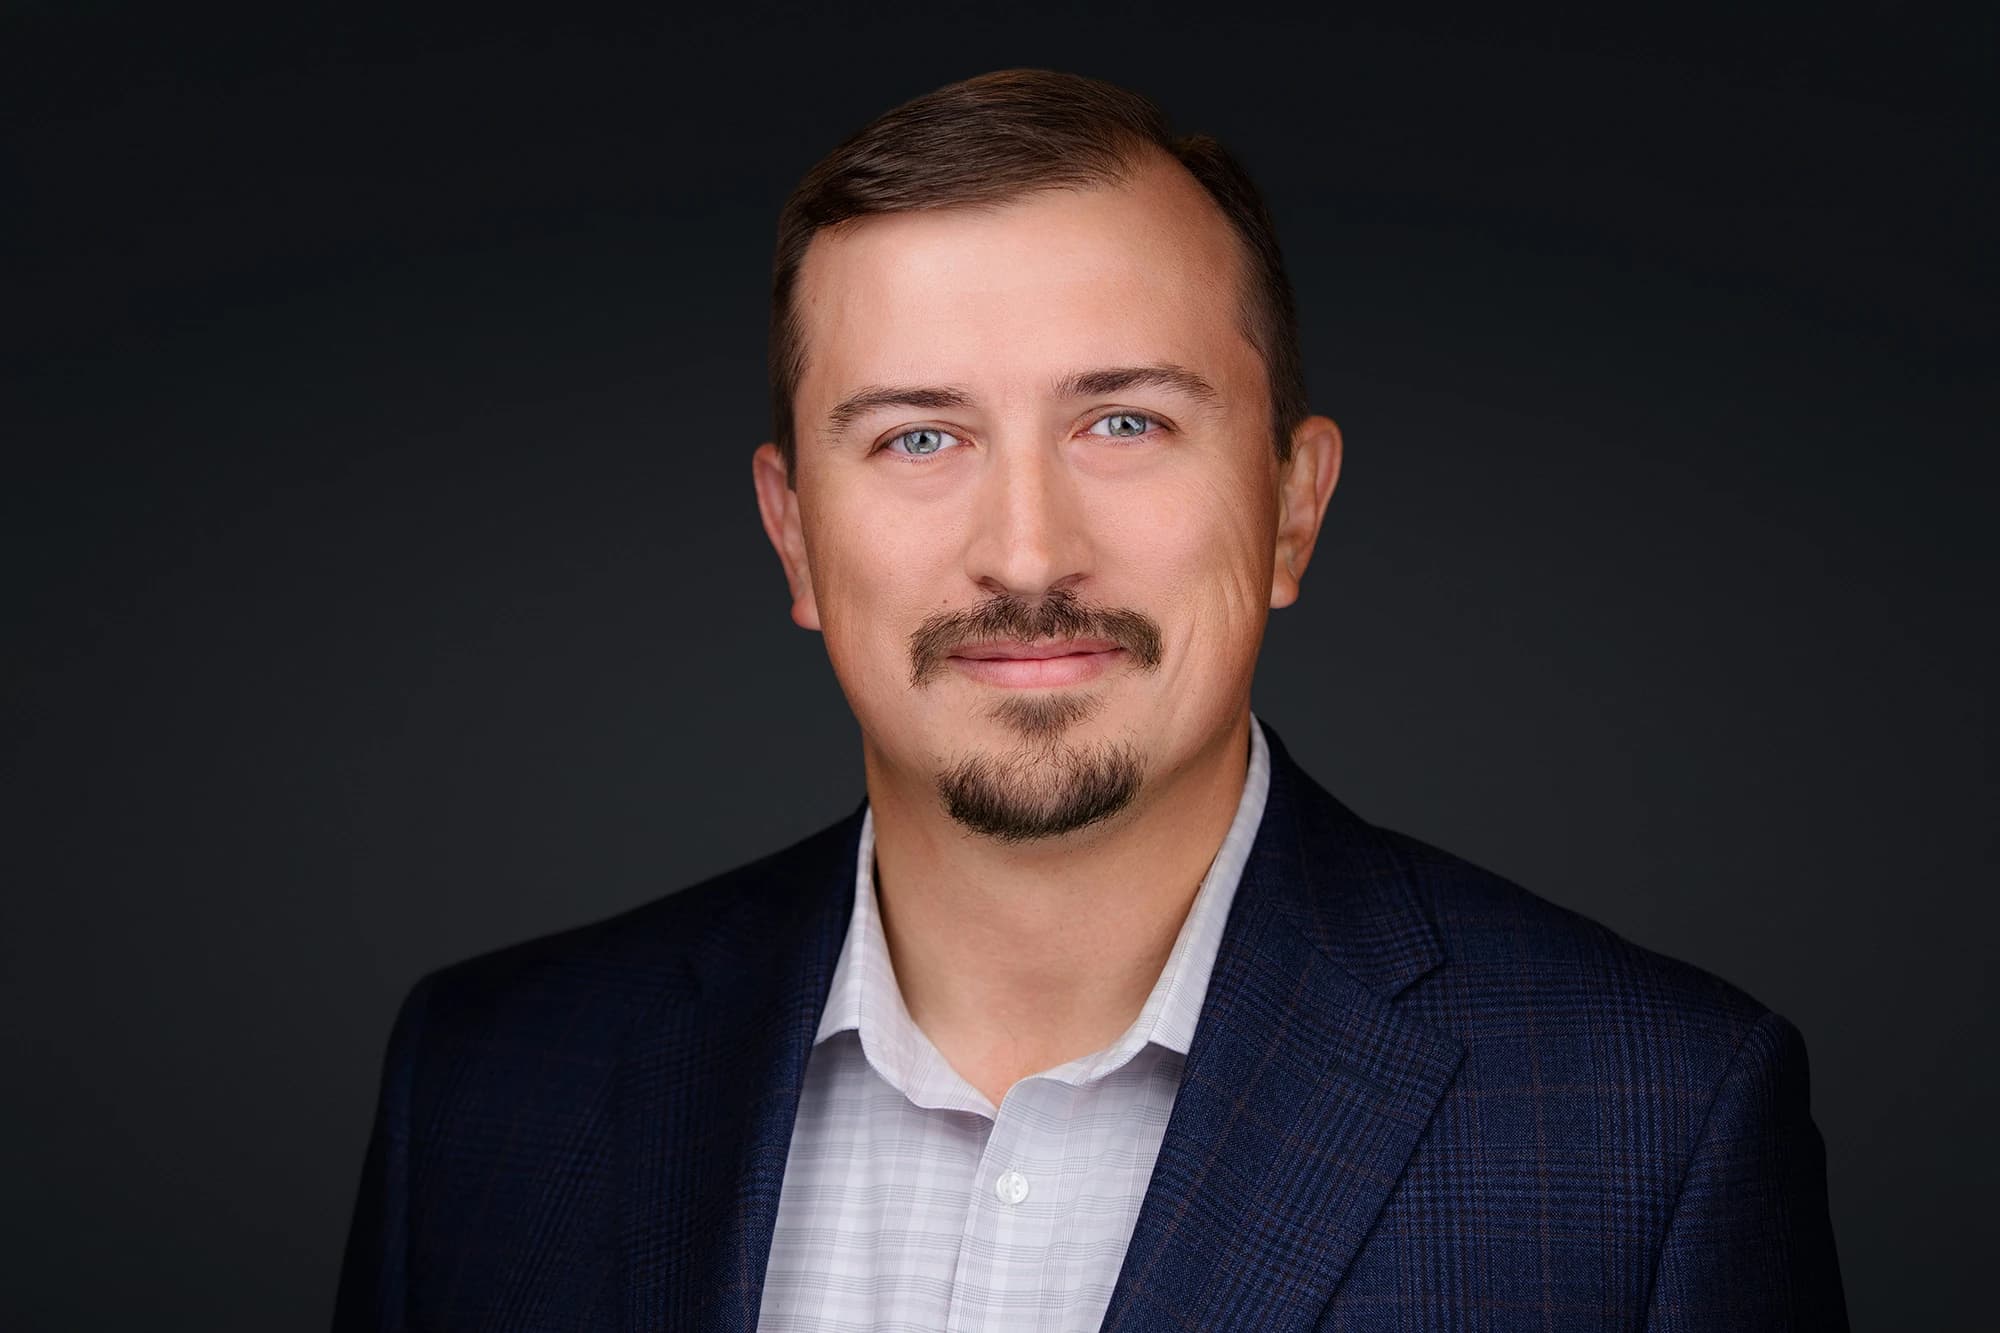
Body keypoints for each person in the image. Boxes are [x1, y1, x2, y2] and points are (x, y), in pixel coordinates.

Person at [333, 68, 1847, 1331]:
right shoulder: (488, 1089)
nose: (1027, 552)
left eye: (1124, 420)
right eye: (921, 438)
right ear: (794, 534)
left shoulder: (1651, 1127)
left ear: (1293, 508)